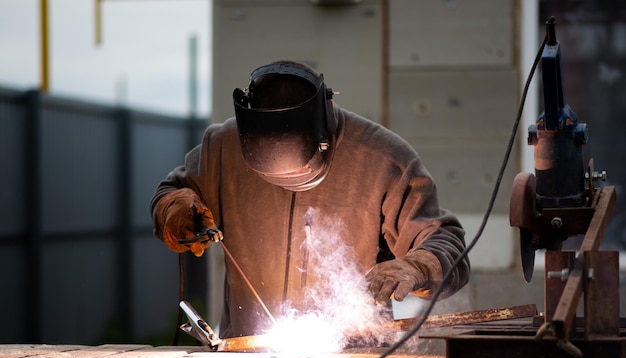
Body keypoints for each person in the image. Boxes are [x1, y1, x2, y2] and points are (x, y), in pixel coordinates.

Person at [150, 60, 470, 339]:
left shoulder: (384, 159)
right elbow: (172, 191)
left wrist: (419, 265)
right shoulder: (222, 148)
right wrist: (174, 207)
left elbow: (444, 240)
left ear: (324, 128)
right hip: (249, 355)